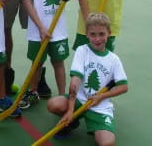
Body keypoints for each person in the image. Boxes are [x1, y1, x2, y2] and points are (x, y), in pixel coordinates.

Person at [47, 12, 128, 145]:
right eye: (93, 34)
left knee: (107, 143)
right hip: (79, 100)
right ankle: (72, 121)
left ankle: (94, 124)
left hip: (99, 106)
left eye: (101, 34)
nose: (97, 39)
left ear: (109, 33)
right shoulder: (82, 51)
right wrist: (70, 110)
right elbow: (75, 82)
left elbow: (123, 87)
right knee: (53, 104)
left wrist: (101, 97)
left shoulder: (114, 60)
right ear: (87, 34)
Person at [18, 0, 75, 109]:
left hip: (58, 31)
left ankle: (62, 96)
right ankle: (33, 92)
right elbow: (27, 1)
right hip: (38, 31)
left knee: (58, 63)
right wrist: (41, 27)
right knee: (37, 63)